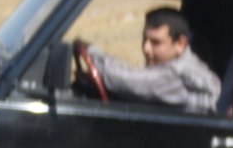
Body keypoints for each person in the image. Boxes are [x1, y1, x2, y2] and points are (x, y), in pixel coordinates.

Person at [86, 7, 221, 114]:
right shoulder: (183, 66)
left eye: (156, 42)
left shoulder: (179, 73)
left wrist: (92, 54)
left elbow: (130, 80)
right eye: (145, 40)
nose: (146, 49)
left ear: (180, 44)